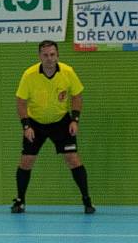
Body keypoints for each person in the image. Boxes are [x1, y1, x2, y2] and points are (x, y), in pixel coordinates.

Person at [13, 40, 95, 214]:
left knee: (73, 159)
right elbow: (21, 102)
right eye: (45, 55)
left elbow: (77, 96)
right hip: (35, 124)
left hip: (61, 122)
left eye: (52, 55)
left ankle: (87, 200)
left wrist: (75, 120)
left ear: (57, 55)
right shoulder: (29, 75)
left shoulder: (67, 72)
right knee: (26, 161)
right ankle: (20, 201)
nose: (49, 58)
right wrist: (26, 126)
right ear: (39, 56)